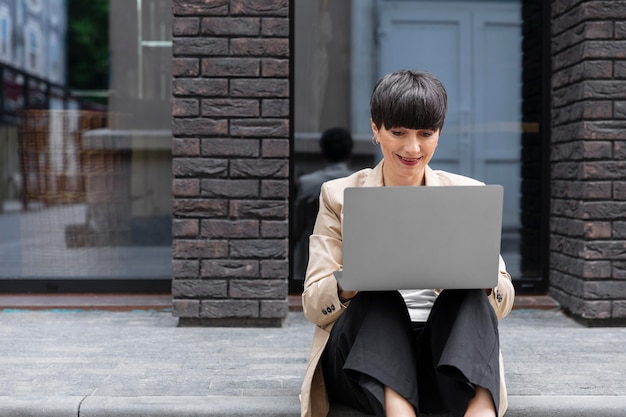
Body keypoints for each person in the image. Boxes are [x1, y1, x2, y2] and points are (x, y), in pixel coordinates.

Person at [299, 70, 515, 417]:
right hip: (363, 359)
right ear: (375, 129)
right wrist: (351, 280)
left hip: (444, 358)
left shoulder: (466, 194)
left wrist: (478, 274)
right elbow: (312, 305)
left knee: (473, 294)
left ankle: (481, 411)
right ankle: (399, 411)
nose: (412, 148)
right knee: (379, 293)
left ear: (439, 134)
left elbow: (501, 304)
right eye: (398, 133)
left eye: (425, 134)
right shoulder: (339, 195)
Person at [293, 127, 354, 282]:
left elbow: (296, 226)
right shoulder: (362, 183)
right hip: (349, 261)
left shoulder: (307, 184)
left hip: (311, 258)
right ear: (349, 153)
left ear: (323, 152)